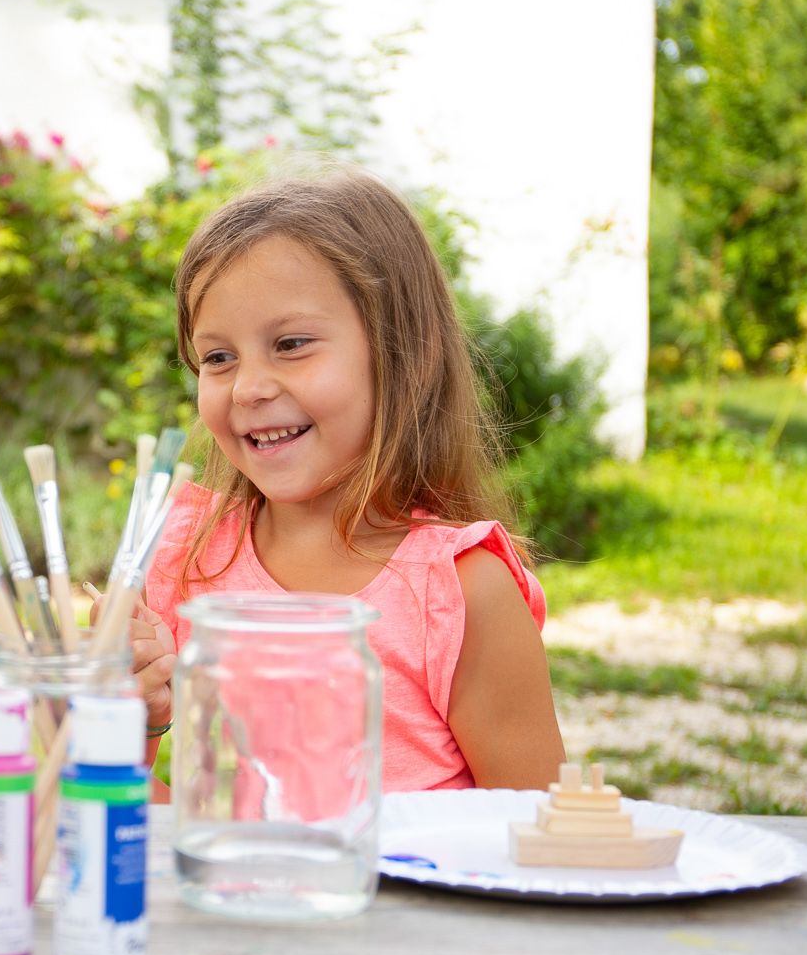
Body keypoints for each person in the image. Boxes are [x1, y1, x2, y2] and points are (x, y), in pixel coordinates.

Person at [130, 170, 566, 793]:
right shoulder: (185, 559)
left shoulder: (461, 593)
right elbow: (169, 828)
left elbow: (536, 835)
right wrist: (125, 727)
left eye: (291, 343)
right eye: (218, 358)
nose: (249, 387)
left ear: (400, 354)